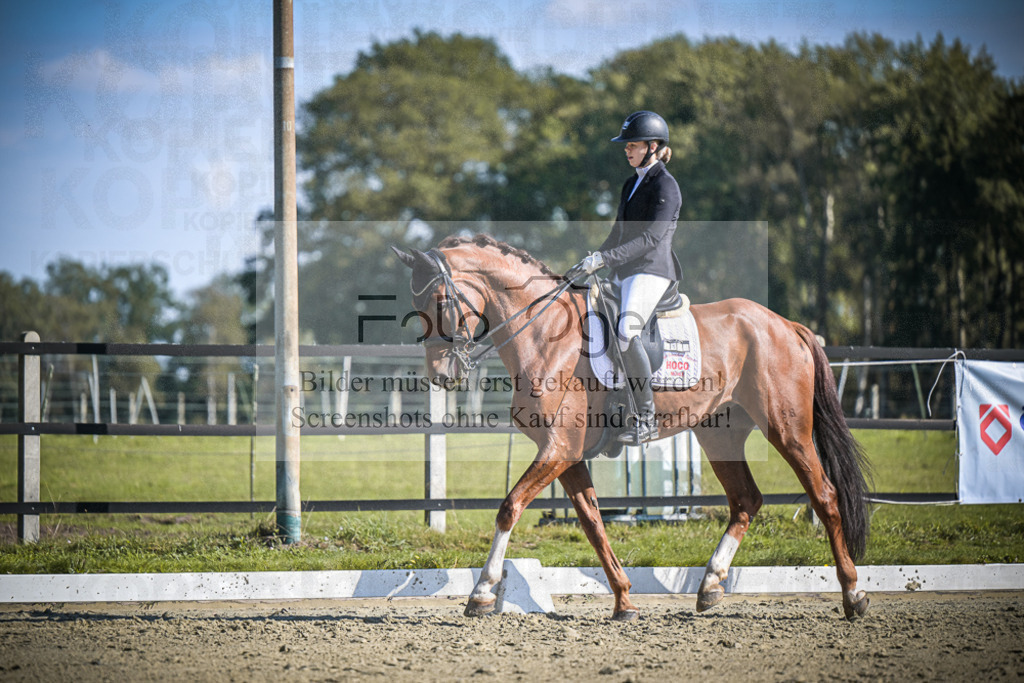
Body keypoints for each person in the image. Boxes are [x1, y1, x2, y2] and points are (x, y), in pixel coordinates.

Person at [580, 110, 683, 444]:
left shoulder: (666, 185)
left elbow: (651, 239)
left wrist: (605, 259)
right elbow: (618, 234)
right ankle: (614, 404)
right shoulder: (630, 183)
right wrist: (591, 261)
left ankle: (647, 417)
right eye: (626, 145)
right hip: (625, 270)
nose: (626, 150)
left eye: (633, 145)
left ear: (653, 146)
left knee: (626, 330)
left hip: (652, 270)